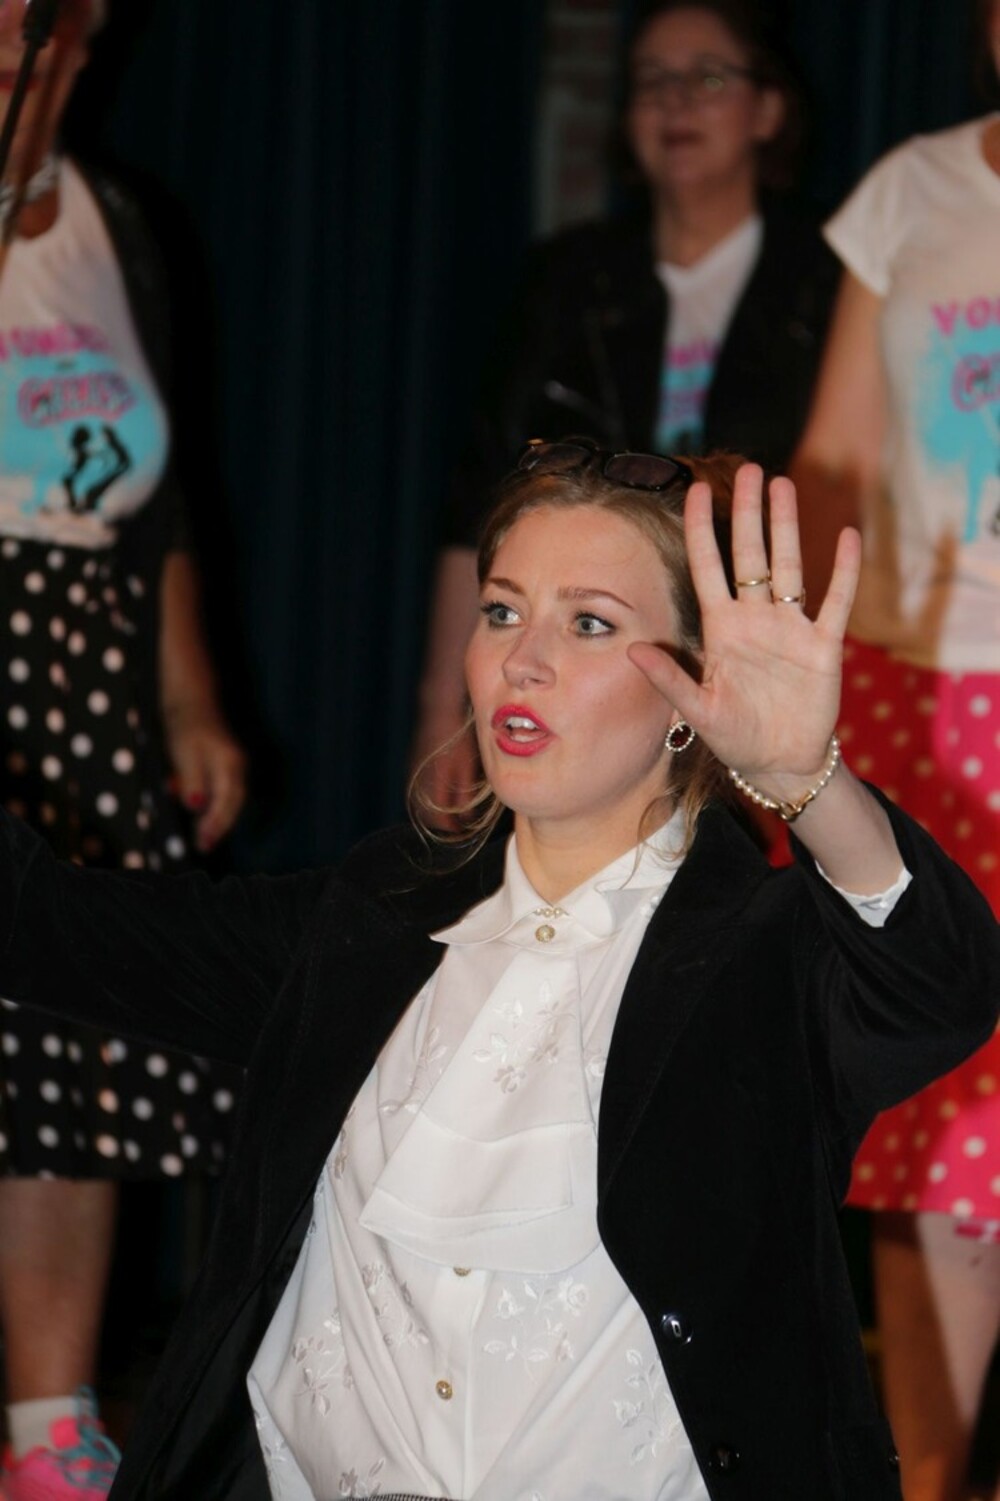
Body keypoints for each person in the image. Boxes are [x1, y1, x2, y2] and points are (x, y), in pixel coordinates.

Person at [0, 446, 996, 1500]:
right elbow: (48, 928)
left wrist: (808, 781)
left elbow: (937, 982)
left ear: (697, 689)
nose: (524, 660)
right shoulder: (371, 920)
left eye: (590, 623)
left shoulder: (759, 955)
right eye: (503, 611)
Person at [0, 3, 246, 1496]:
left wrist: (189, 699)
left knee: (71, 1051)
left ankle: (49, 1431)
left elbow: (159, 500)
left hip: (87, 662)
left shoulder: (115, 227)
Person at [412, 0, 838, 810]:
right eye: (651, 81)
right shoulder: (564, 278)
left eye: (707, 78)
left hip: (752, 678)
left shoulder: (829, 278)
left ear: (768, 110)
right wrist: (444, 708)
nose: (676, 102)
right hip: (582, 679)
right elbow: (478, 503)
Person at [791, 2, 1000, 1495]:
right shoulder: (911, 192)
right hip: (927, 700)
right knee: (941, 1139)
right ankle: (941, 1476)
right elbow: (834, 461)